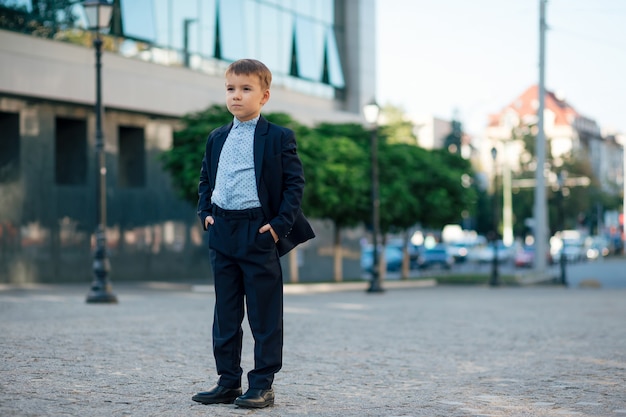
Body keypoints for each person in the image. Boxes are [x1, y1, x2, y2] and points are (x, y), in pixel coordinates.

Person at [192, 58, 315, 409]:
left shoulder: (278, 137)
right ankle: (227, 381)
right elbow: (205, 180)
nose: (236, 96)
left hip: (258, 230)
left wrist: (277, 227)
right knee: (226, 314)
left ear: (264, 96)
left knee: (264, 313)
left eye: (246, 89)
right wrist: (205, 214)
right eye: (231, 89)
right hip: (222, 230)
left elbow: (294, 185)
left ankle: (262, 384)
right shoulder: (216, 137)